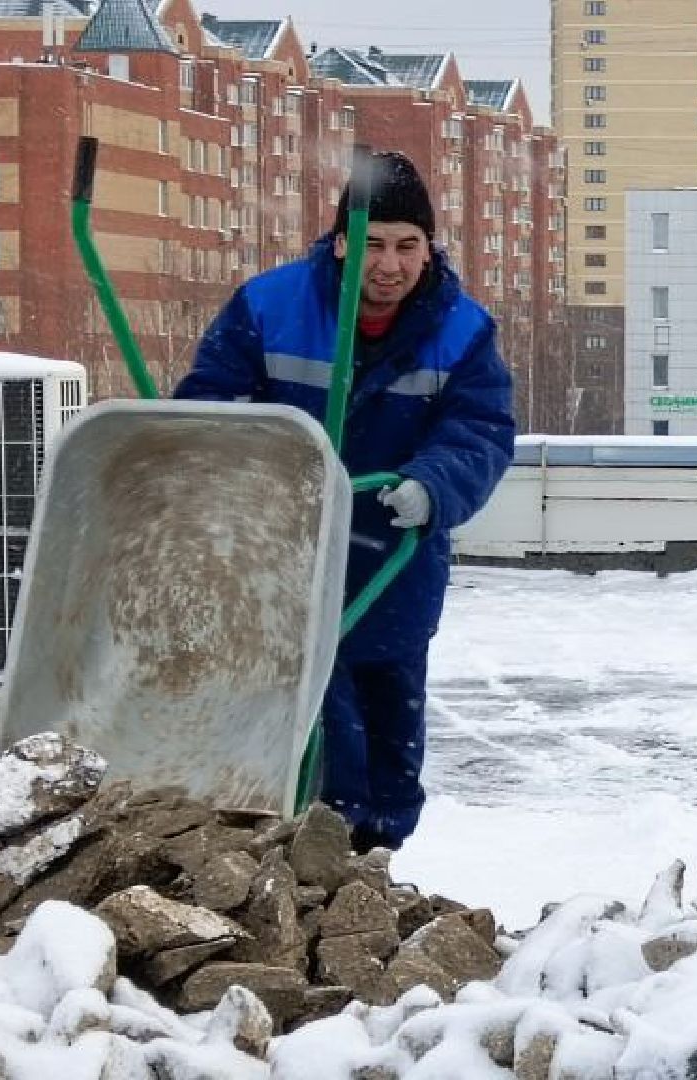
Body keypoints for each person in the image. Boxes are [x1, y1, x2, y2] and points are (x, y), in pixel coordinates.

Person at [175, 149, 515, 852]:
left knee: (390, 728)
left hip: (392, 555)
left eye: (407, 246)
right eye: (373, 243)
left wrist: (434, 484)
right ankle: (298, 851)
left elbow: (479, 430)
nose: (388, 264)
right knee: (307, 720)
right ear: (340, 243)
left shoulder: (462, 331)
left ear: (428, 249)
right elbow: (211, 408)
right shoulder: (271, 308)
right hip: (283, 556)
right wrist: (260, 484)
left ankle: (369, 870)